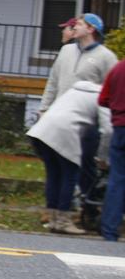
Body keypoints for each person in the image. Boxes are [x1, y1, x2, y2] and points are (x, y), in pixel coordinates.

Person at [39, 13, 117, 205]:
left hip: (87, 121)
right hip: (59, 118)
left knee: (85, 165)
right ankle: (57, 208)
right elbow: (53, 81)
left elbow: (112, 91)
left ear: (91, 29)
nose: (74, 26)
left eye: (79, 24)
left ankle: (88, 205)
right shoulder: (66, 51)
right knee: (58, 167)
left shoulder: (106, 57)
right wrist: (44, 108)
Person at [27, 81, 110, 235]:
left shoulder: (75, 90)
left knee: (54, 175)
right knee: (69, 176)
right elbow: (107, 131)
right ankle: (63, 221)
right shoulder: (103, 97)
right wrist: (104, 158)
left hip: (41, 130)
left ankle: (52, 218)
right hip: (64, 132)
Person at [99, 58, 125, 242]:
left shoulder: (117, 68)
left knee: (117, 179)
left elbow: (103, 99)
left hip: (120, 128)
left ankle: (109, 229)